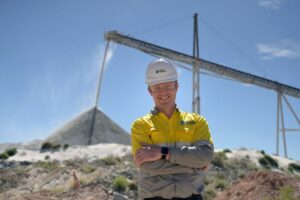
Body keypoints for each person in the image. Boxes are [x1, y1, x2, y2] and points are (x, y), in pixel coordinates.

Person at [131, 58, 214, 200]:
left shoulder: (197, 121)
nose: (163, 92)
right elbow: (147, 166)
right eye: (157, 87)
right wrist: (193, 165)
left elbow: (205, 156)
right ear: (149, 90)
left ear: (176, 86)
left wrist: (162, 153)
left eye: (168, 86)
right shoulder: (140, 125)